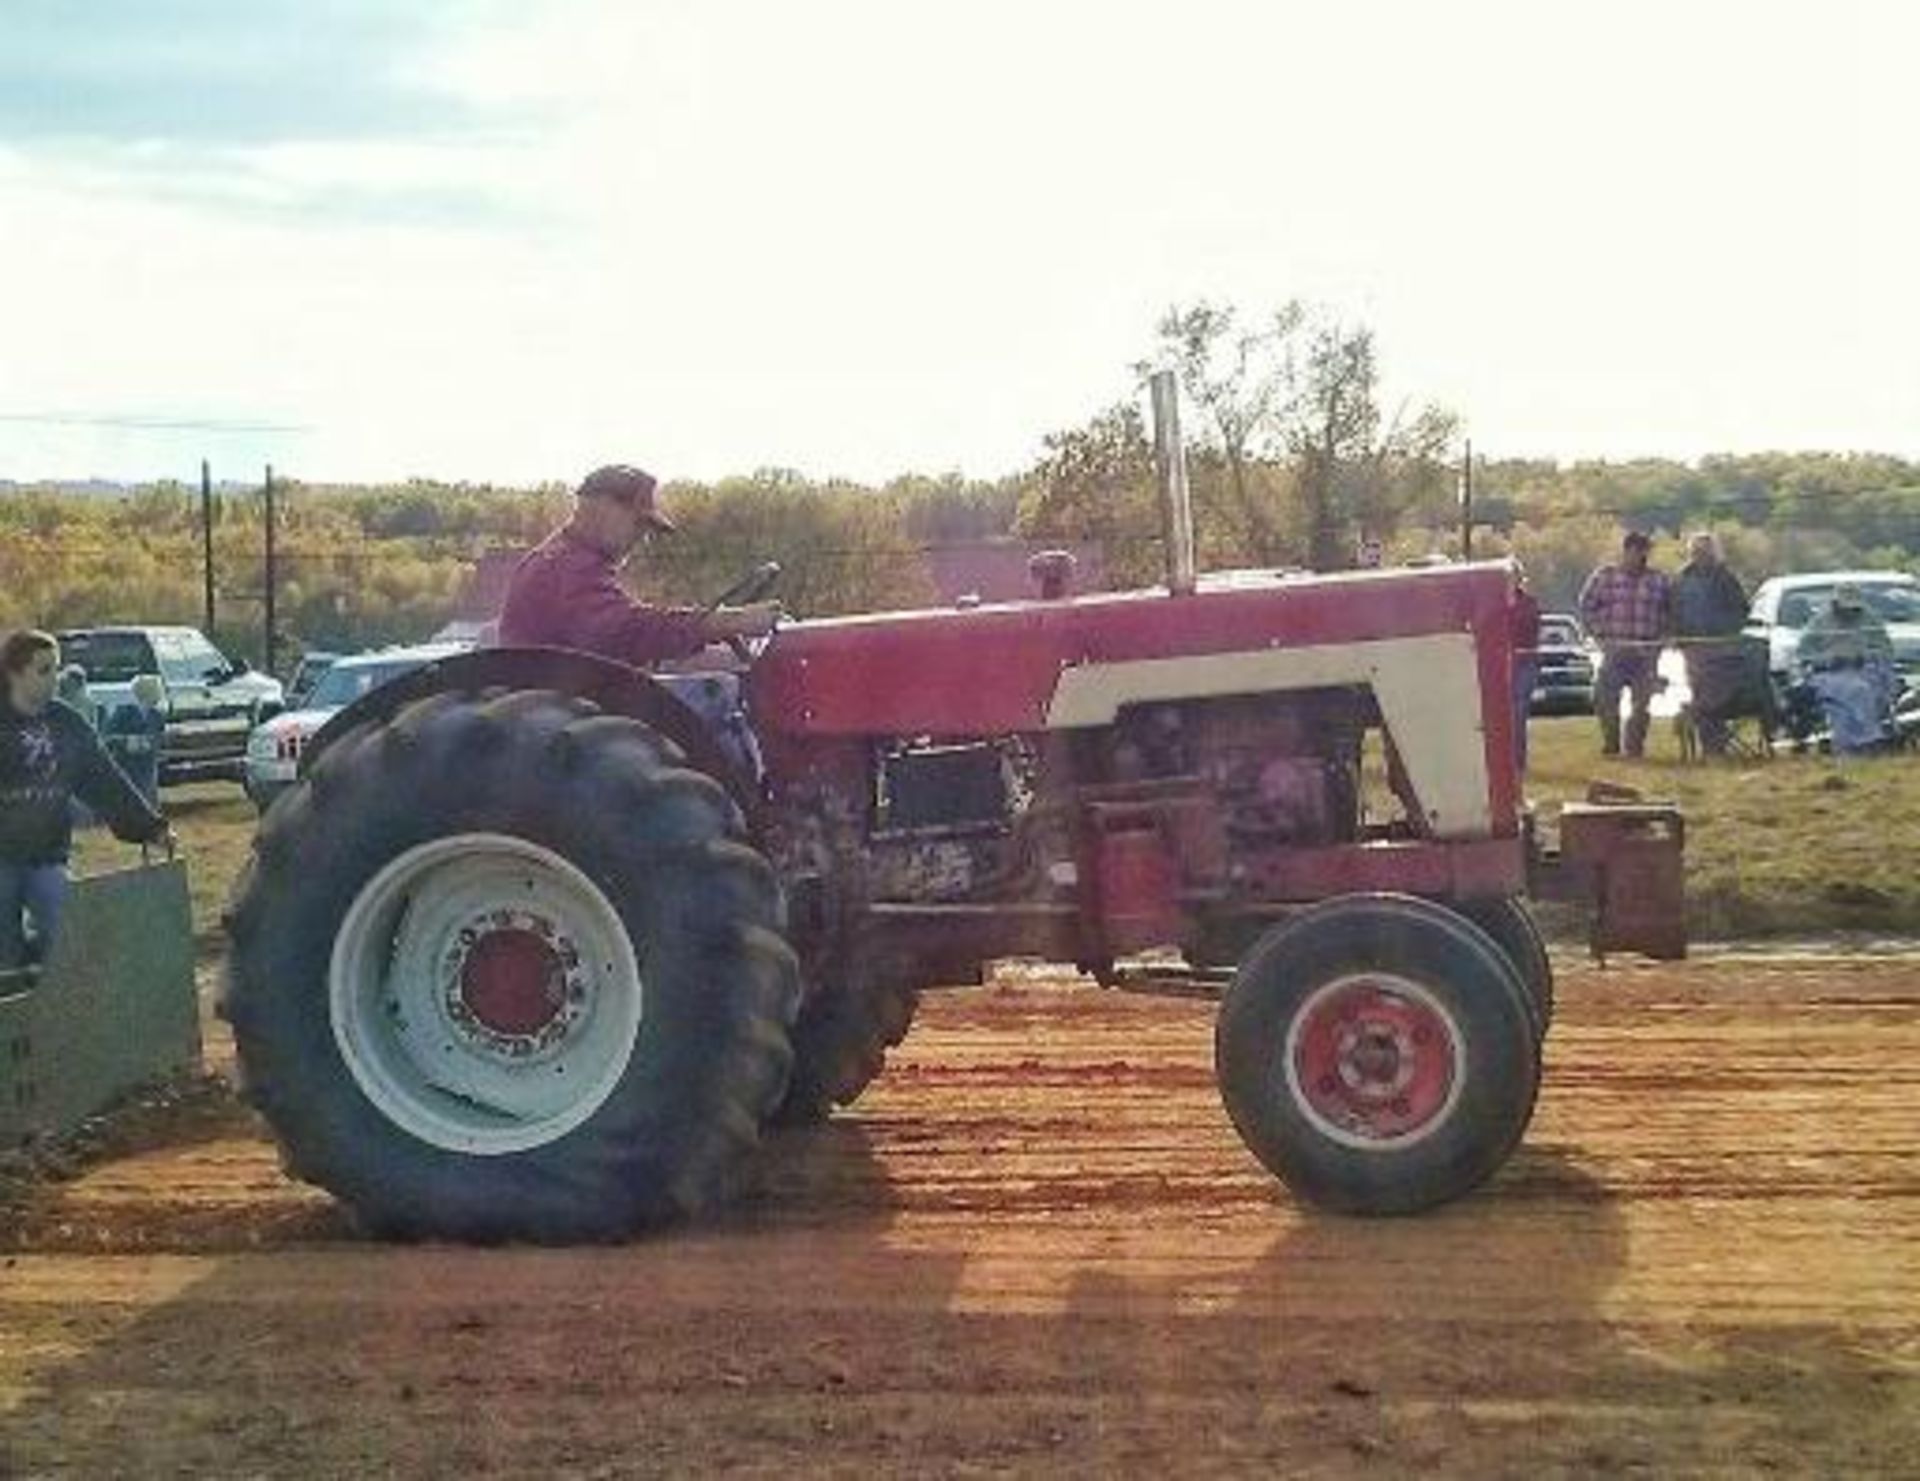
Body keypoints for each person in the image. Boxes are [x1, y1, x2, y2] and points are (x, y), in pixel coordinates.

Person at [1, 630, 174, 971]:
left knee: (70, 942)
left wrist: (150, 827)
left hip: (47, 857)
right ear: (14, 673)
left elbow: (104, 779)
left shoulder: (66, 723)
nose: (55, 679)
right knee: (5, 963)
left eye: (56, 668)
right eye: (44, 670)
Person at [498, 464, 779, 666]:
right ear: (602, 507)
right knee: (724, 702)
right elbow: (626, 630)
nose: (641, 539)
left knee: (713, 673)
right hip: (567, 703)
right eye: (638, 524)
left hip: (567, 692)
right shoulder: (567, 567)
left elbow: (619, 635)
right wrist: (723, 623)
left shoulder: (552, 558)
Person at [1578, 531, 1672, 757]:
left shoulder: (1658, 580)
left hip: (1645, 654)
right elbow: (1586, 606)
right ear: (1626, 551)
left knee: (1641, 705)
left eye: (1644, 552)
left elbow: (1670, 612)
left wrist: (1661, 640)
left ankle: (1634, 747)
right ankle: (1611, 744)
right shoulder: (1605, 577)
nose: (1640, 556)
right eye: (1635, 551)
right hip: (1614, 651)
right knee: (1605, 700)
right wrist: (1600, 635)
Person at [1671, 531, 1751, 756]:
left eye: (1705, 552)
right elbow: (1673, 610)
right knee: (1701, 694)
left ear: (1714, 553)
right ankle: (1712, 745)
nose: (1700, 556)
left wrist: (1726, 632)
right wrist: (1679, 636)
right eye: (1696, 552)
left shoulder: (1726, 578)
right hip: (1693, 650)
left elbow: (1741, 610)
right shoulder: (1681, 579)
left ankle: (1715, 743)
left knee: (1715, 698)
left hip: (1722, 650)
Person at [1797, 584, 1898, 754]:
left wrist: (1867, 656)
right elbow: (1804, 654)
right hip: (1830, 674)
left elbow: (1885, 648)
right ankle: (1862, 741)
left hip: (1865, 669)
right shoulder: (1819, 622)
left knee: (1878, 688)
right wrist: (1829, 659)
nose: (1849, 612)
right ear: (1835, 604)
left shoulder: (1870, 619)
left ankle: (1880, 736)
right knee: (1856, 690)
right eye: (1846, 608)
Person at [104, 673, 168, 807]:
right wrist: (128, 741)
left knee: (149, 800)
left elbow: (160, 738)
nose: (160, 693)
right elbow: (107, 736)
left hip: (148, 765)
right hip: (128, 765)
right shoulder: (123, 712)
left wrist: (152, 743)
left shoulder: (157, 715)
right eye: (157, 689)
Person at [1509, 569, 1542, 775]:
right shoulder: (1491, 602)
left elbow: (1530, 627)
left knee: (1519, 712)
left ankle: (1518, 762)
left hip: (1524, 663)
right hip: (1499, 665)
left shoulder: (1529, 603)